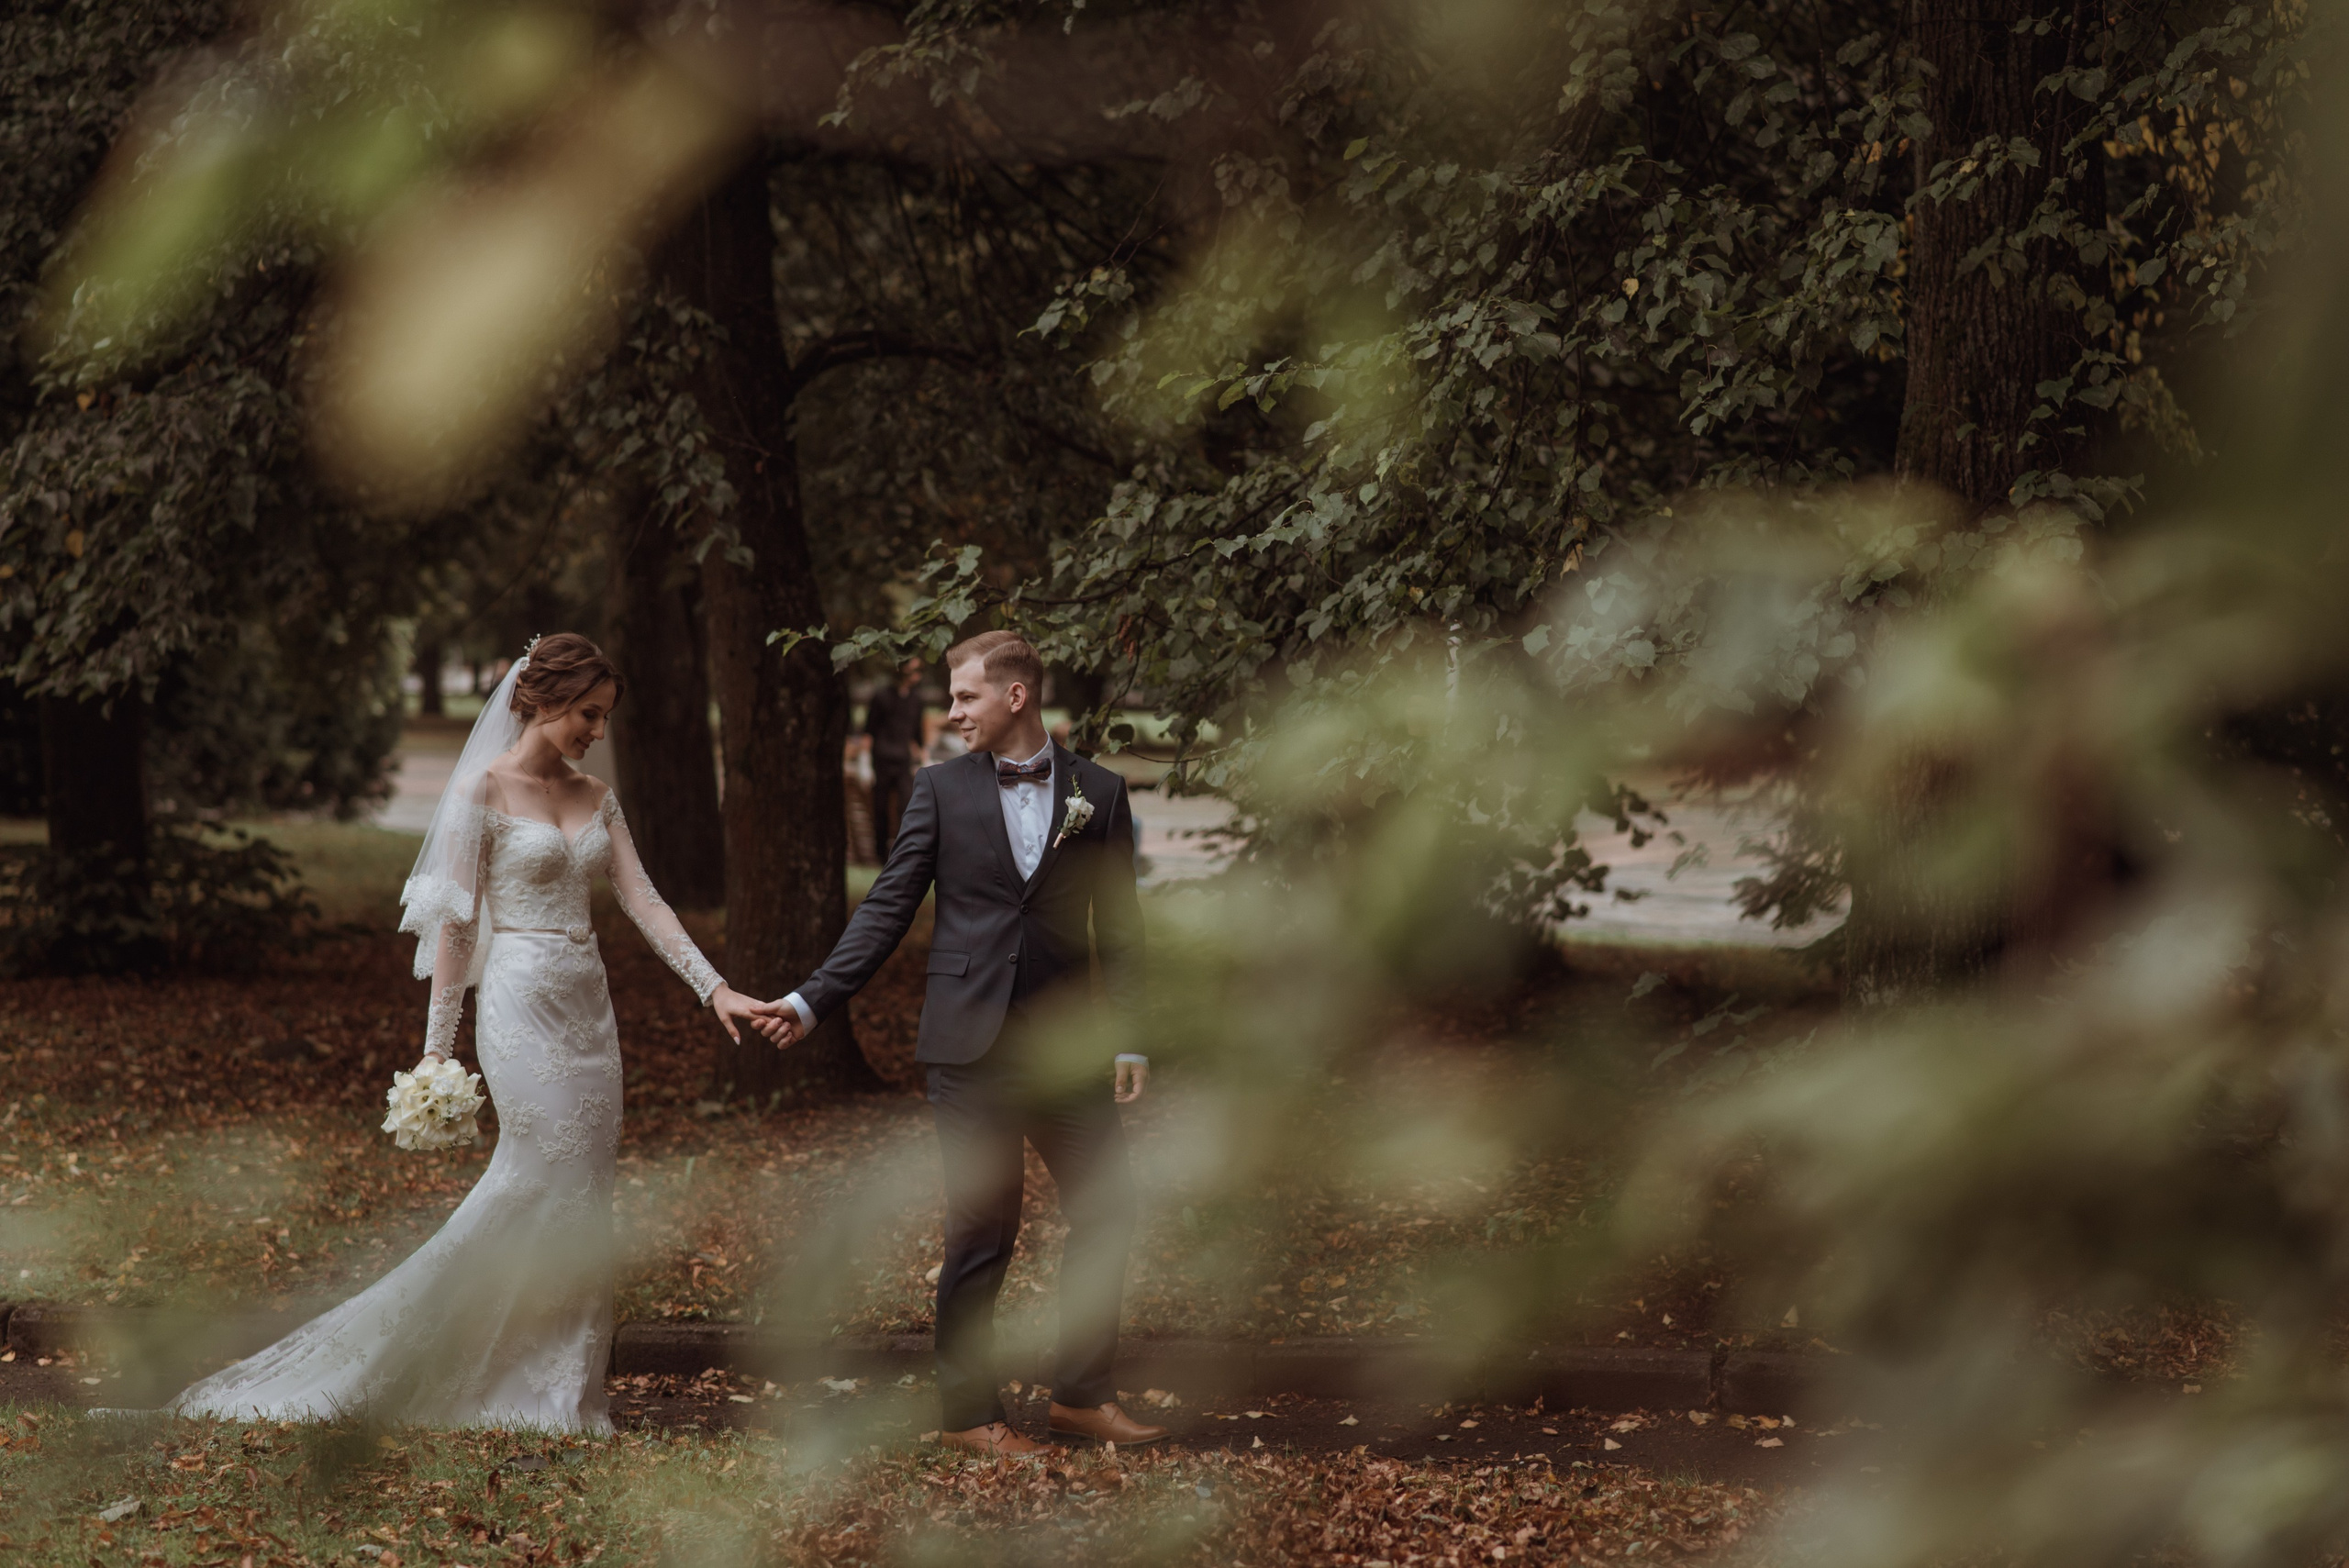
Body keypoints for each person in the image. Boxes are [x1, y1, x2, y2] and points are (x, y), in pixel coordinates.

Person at [165, 634, 771, 1431]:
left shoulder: (597, 796)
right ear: (541, 698)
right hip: (519, 1004)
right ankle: (437, 1358)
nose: (597, 730)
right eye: (588, 713)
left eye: (604, 717)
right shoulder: (482, 790)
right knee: (535, 1176)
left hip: (591, 1009)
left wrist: (715, 988)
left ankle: (562, 1391)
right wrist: (436, 1050)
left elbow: (645, 899)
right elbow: (455, 928)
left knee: (584, 1194)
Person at [758, 630, 1160, 1458]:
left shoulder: (1101, 793)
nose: (952, 712)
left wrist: (1128, 1037)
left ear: (1015, 695)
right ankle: (968, 1414)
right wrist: (812, 998)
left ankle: (1082, 1396)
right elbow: (887, 907)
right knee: (983, 1228)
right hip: (967, 1049)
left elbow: (1120, 931)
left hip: (1063, 1050)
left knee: (1110, 1208)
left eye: (966, 696)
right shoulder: (939, 789)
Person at [863, 657, 929, 862]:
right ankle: (879, 855)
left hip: (903, 762)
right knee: (880, 808)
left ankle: (901, 854)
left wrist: (922, 760)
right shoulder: (881, 696)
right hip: (881, 760)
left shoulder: (916, 699)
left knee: (906, 806)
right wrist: (865, 761)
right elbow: (869, 730)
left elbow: (917, 735)